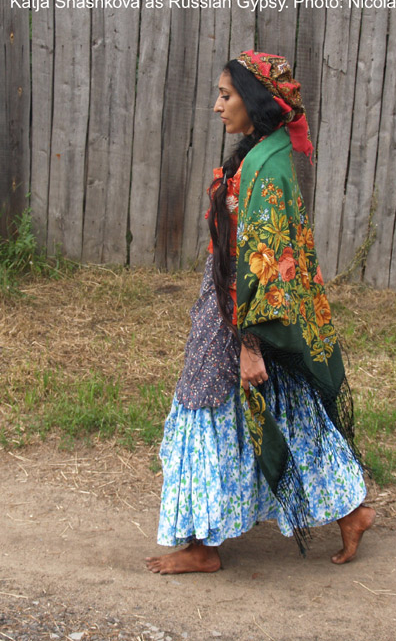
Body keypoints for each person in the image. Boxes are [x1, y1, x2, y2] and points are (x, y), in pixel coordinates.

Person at [145, 51, 374, 575]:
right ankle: (351, 509)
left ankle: (202, 546)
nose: (216, 106)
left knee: (202, 404)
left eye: (226, 95)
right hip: (236, 304)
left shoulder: (264, 166)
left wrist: (249, 346)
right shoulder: (262, 152)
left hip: (242, 314)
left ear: (253, 100)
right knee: (286, 405)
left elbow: (263, 263)